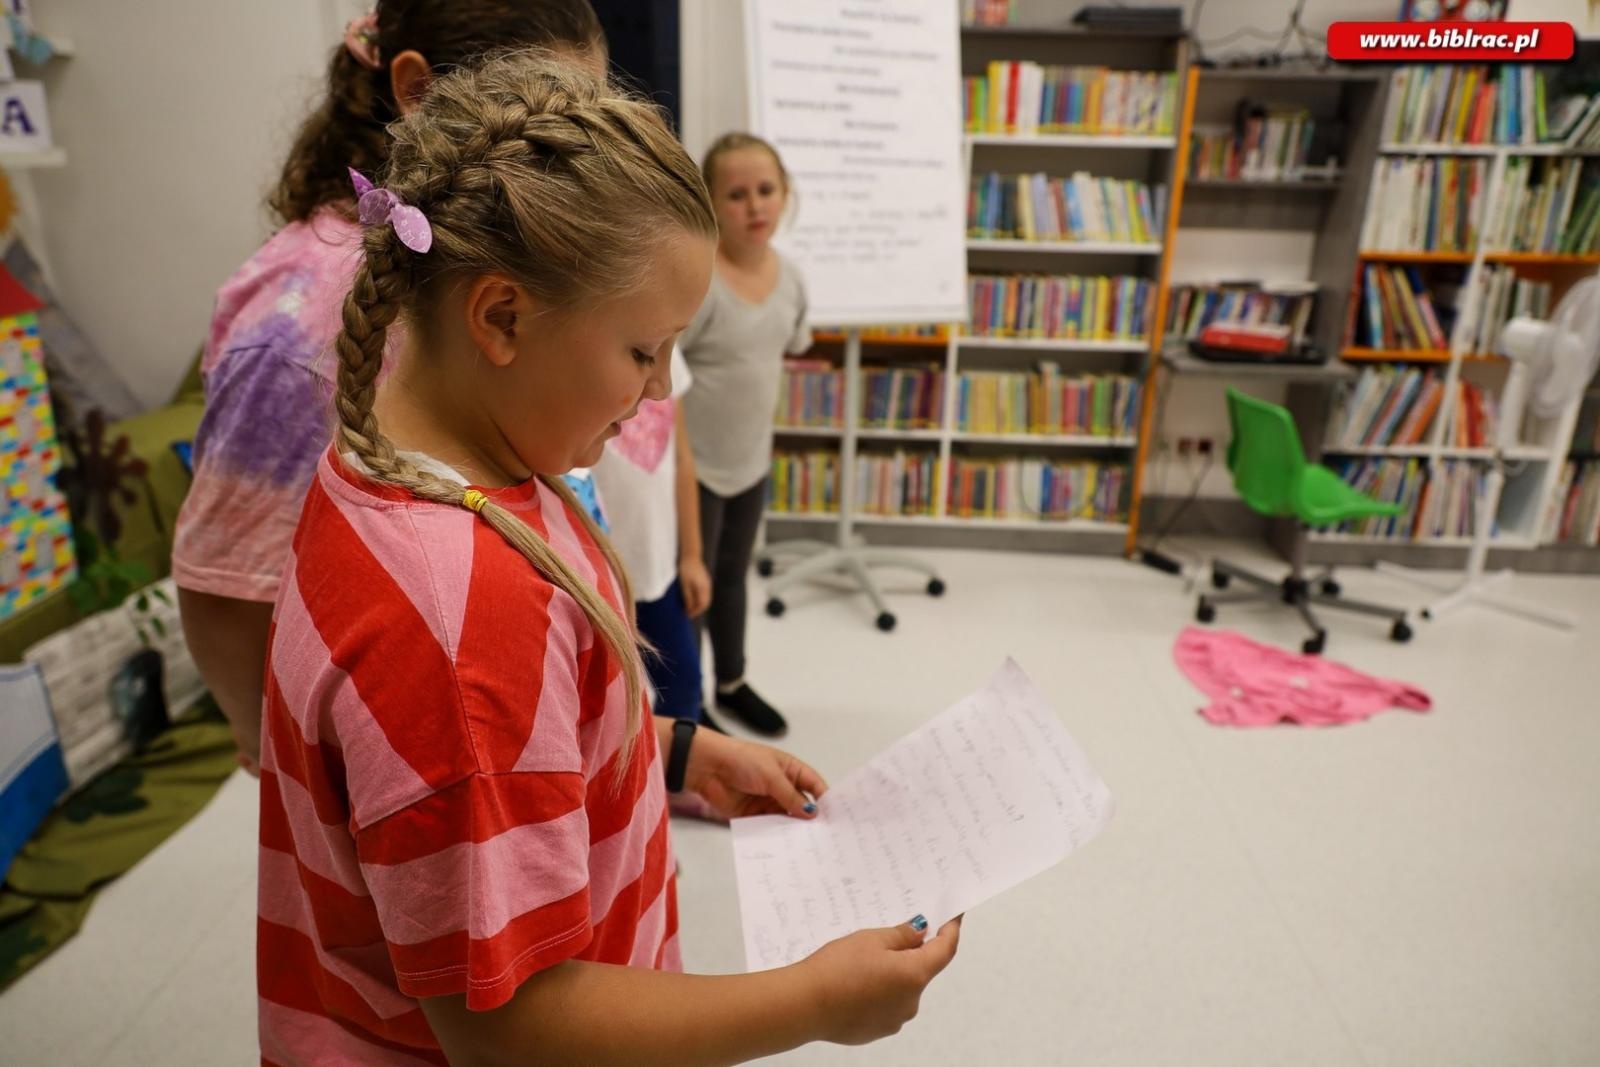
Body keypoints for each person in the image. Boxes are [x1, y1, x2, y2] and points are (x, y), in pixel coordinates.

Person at [257, 53, 961, 1065]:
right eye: (642, 351)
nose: (662, 387)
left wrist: (674, 752)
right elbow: (512, 1025)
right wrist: (812, 1001)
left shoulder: (420, 462)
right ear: (501, 317)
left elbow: (512, 750)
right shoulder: (464, 624)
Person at [172, 0, 609, 773]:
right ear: (417, 89)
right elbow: (227, 584)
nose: (587, 156)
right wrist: (287, 759)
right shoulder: (296, 328)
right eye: (553, 120)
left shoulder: (488, 264)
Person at [679, 133, 811, 737]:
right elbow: (666, 379)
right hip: (695, 470)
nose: (755, 206)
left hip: (750, 463)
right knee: (694, 586)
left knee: (734, 576)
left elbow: (789, 345)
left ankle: (731, 682)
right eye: (736, 195)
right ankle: (690, 704)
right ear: (710, 203)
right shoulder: (700, 284)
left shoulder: (792, 279)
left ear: (785, 194)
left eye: (765, 190)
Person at [591, 347, 717, 727]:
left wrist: (692, 555)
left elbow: (682, 460)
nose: (659, 383)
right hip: (598, 579)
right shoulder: (587, 359)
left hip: (658, 569)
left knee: (684, 686)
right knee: (609, 706)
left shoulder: (668, 356)